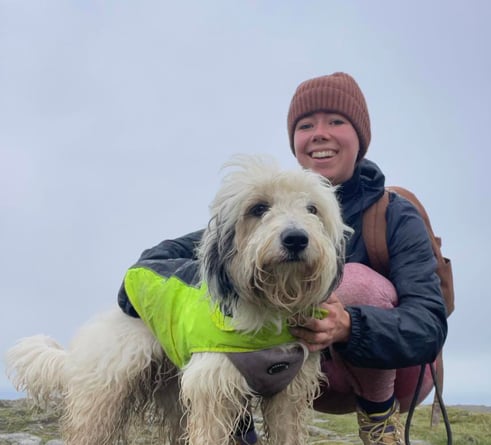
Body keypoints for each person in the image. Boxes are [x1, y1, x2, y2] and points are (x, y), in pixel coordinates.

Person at [118, 72, 448, 445]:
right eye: (306, 125)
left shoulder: (394, 216)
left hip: (382, 371)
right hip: (287, 362)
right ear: (295, 143)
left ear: (361, 138)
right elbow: (179, 255)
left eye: (336, 121)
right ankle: (240, 429)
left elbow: (430, 326)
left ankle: (378, 426)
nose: (320, 133)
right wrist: (138, 290)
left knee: (352, 280)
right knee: (228, 301)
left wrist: (348, 326)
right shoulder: (263, 209)